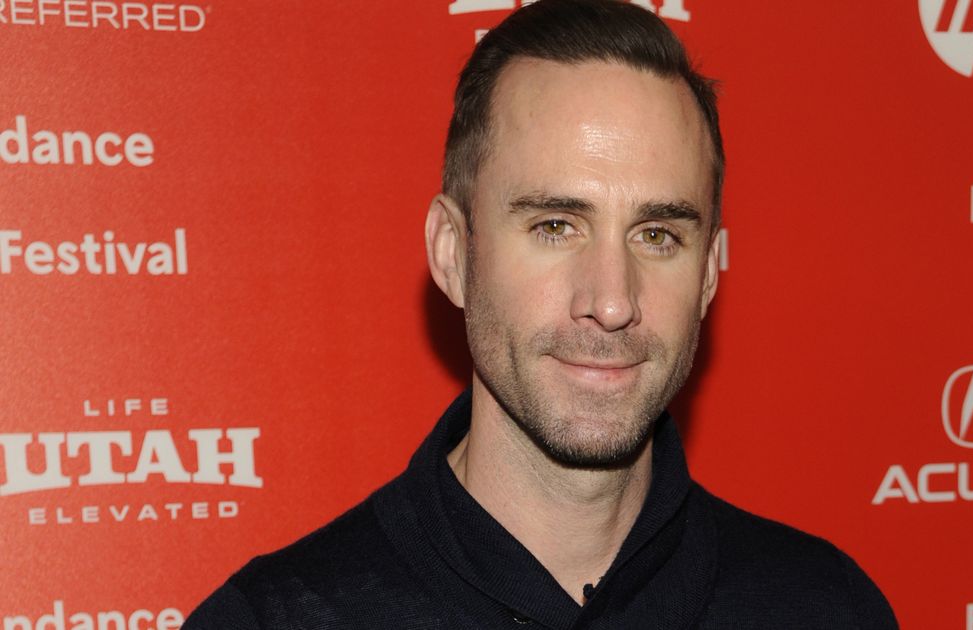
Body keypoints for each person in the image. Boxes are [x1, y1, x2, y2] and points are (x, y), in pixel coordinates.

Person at [184, 0, 898, 627]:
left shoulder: (827, 607)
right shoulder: (272, 620)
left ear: (709, 275)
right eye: (556, 226)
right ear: (453, 253)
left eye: (657, 236)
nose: (611, 302)